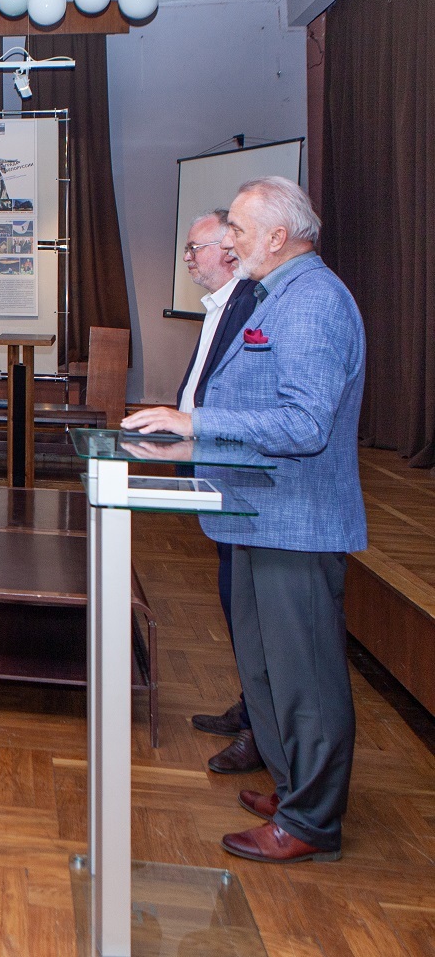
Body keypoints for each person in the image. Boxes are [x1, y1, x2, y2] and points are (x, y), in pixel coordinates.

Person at [123, 176, 366, 864]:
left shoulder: (313, 300)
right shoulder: (274, 293)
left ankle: (311, 821)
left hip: (297, 519)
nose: (227, 240)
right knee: (267, 669)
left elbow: (305, 423)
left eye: (236, 227)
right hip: (260, 515)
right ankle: (293, 792)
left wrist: (196, 423)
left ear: (278, 236)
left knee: (305, 678)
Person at [174, 210, 266, 777]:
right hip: (214, 466)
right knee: (234, 596)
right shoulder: (219, 307)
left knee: (248, 605)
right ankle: (253, 706)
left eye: (195, 247)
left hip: (245, 477)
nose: (187, 257)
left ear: (228, 251)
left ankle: (263, 728)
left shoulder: (254, 304)